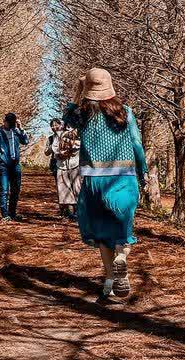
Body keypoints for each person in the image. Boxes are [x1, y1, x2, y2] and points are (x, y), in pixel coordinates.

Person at [63, 68, 147, 301]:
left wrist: (79, 90)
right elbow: (137, 145)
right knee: (123, 230)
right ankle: (122, 258)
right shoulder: (125, 113)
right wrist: (144, 172)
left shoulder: (82, 115)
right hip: (123, 177)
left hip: (94, 180)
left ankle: (110, 280)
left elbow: (66, 115)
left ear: (89, 90)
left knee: (101, 235)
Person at [0, 113, 29, 221]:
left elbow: (25, 141)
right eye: (9, 123)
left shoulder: (16, 131)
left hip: (15, 165)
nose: (11, 125)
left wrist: (20, 128)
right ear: (4, 121)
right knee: (4, 190)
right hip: (3, 165)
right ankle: (5, 215)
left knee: (16, 190)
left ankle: (12, 213)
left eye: (13, 123)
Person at [46, 118, 81, 219]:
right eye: (52, 125)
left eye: (57, 125)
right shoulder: (54, 137)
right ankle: (66, 213)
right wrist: (59, 153)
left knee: (77, 188)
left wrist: (70, 150)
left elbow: (79, 145)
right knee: (63, 189)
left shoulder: (74, 134)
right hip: (61, 165)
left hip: (75, 164)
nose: (55, 127)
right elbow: (54, 148)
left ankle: (78, 212)